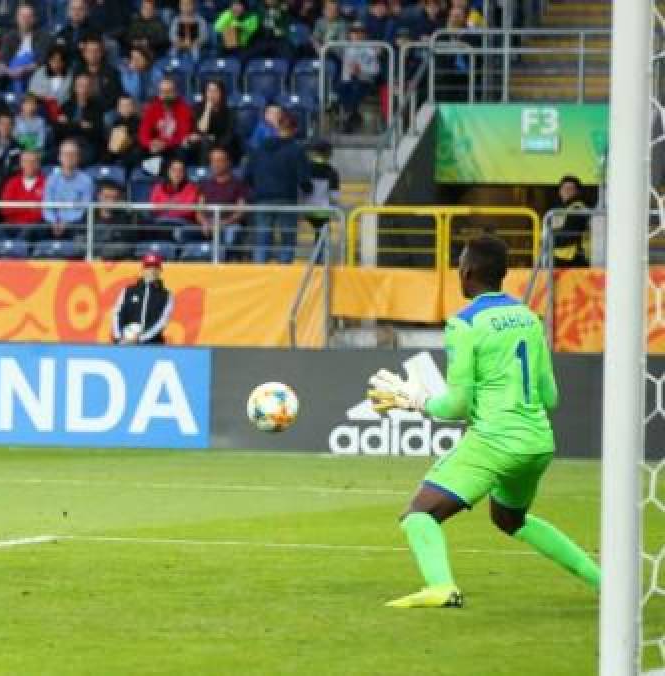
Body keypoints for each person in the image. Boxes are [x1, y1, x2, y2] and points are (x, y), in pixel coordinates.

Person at [366, 234, 601, 609]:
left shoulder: (465, 324)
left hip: (495, 441)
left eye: (460, 262)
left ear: (468, 270)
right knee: (511, 519)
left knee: (418, 515)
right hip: (538, 441)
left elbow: (456, 406)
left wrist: (415, 399)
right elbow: (551, 397)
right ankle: (604, 581)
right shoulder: (529, 317)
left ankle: (441, 587)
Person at [247, 110, 309, 263]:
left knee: (262, 239)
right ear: (295, 129)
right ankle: (284, 274)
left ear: (277, 127)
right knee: (287, 239)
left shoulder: (259, 148)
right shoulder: (297, 150)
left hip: (262, 198)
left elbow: (247, 174)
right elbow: (304, 180)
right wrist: (309, 190)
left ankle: (260, 272)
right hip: (286, 198)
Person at [111, 252, 174, 345]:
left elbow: (162, 322)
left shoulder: (166, 295)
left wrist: (141, 338)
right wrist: (119, 337)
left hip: (152, 344)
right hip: (124, 342)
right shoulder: (128, 291)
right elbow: (117, 313)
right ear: (143, 269)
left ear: (160, 270)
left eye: (155, 267)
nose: (152, 270)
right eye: (148, 267)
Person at [41, 140, 94, 242]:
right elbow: (47, 204)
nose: (69, 157)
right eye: (65, 154)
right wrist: (53, 221)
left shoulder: (86, 180)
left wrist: (65, 222)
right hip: (52, 222)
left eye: (72, 154)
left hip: (75, 223)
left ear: (78, 158)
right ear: (59, 157)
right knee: (34, 230)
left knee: (81, 231)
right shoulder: (51, 179)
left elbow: (85, 207)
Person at [139, 77, 193, 173]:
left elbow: (183, 134)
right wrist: (150, 143)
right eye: (163, 92)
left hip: (173, 147)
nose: (166, 95)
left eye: (169, 91)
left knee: (182, 150)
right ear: (159, 93)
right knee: (136, 152)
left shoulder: (184, 108)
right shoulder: (152, 108)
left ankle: (163, 170)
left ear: (176, 92)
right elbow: (144, 132)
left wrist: (165, 144)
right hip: (155, 147)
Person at [338, 22, 381, 133]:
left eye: (360, 32)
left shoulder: (370, 48)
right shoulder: (344, 47)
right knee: (341, 87)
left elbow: (376, 70)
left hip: (365, 80)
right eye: (354, 32)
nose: (357, 35)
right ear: (350, 34)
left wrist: (361, 70)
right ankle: (353, 115)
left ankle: (348, 118)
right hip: (347, 80)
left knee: (355, 88)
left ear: (364, 34)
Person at [0, 149, 46, 239]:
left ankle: (16, 249)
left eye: (33, 161)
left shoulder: (46, 183)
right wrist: (30, 206)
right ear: (21, 163)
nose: (29, 165)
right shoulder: (12, 182)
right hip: (13, 226)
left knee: (31, 228)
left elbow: (43, 212)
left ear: (38, 164)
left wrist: (20, 206)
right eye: (26, 161)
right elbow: (5, 210)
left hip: (35, 227)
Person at [551, 175, 590, 267]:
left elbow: (569, 235)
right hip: (560, 257)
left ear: (577, 192)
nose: (566, 191)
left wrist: (550, 240)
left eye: (570, 189)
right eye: (564, 188)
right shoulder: (561, 208)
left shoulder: (578, 208)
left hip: (572, 259)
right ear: (559, 191)